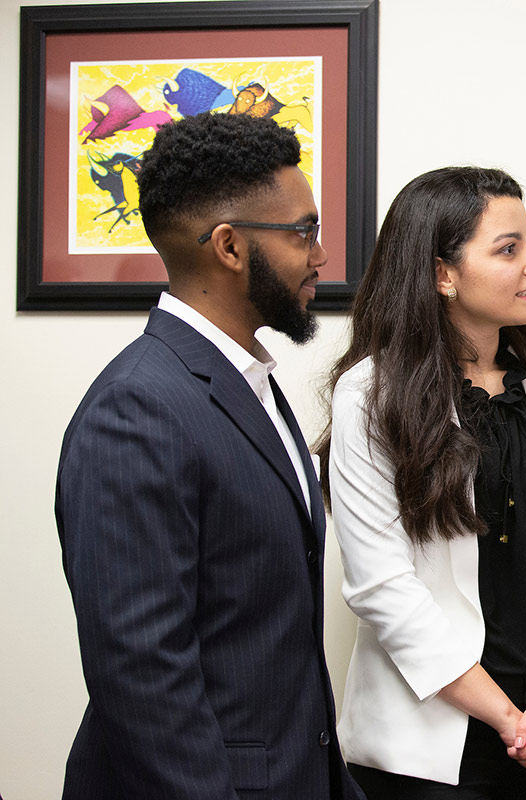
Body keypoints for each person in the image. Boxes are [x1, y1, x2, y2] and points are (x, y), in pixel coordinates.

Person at [55, 112, 364, 800]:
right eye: (305, 231)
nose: (321, 255)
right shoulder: (136, 410)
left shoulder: (250, 380)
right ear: (229, 246)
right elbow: (142, 679)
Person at [316, 167, 526, 800]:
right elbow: (380, 588)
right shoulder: (368, 395)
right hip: (428, 752)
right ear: (441, 274)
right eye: (509, 248)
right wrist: (513, 723)